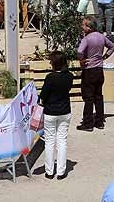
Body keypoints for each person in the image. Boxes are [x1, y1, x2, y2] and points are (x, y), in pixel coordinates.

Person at [77, 15, 114, 131]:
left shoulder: (86, 39)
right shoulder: (101, 37)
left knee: (88, 97)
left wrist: (82, 60)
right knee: (98, 96)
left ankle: (88, 123)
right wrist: (104, 57)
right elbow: (112, 47)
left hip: (89, 70)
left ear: (88, 27)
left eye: (83, 25)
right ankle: (99, 121)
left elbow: (79, 51)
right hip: (99, 69)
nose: (82, 27)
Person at [39, 50, 73, 180]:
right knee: (62, 141)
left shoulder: (50, 77)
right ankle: (61, 171)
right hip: (65, 111)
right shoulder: (69, 76)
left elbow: (43, 95)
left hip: (50, 112)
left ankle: (49, 171)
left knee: (49, 142)